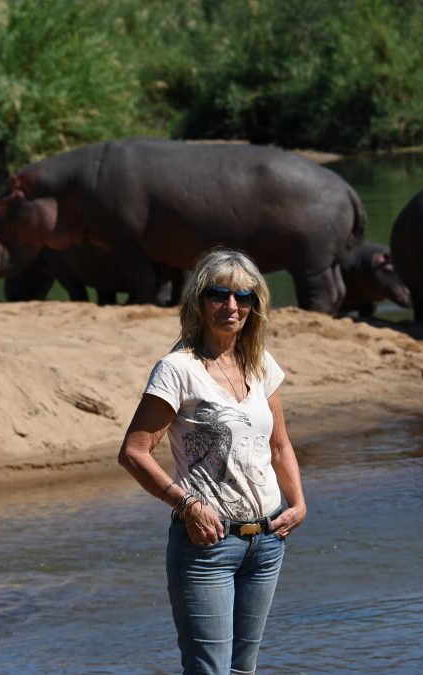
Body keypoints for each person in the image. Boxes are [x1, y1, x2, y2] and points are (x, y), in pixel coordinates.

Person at [118, 247, 307, 674]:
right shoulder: (177, 369)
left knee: (244, 668)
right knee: (209, 670)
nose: (232, 306)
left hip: (267, 541)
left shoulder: (259, 363)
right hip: (208, 544)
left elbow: (279, 445)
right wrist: (186, 504)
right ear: (199, 301)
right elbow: (133, 452)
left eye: (245, 297)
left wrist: (297, 503)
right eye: (219, 294)